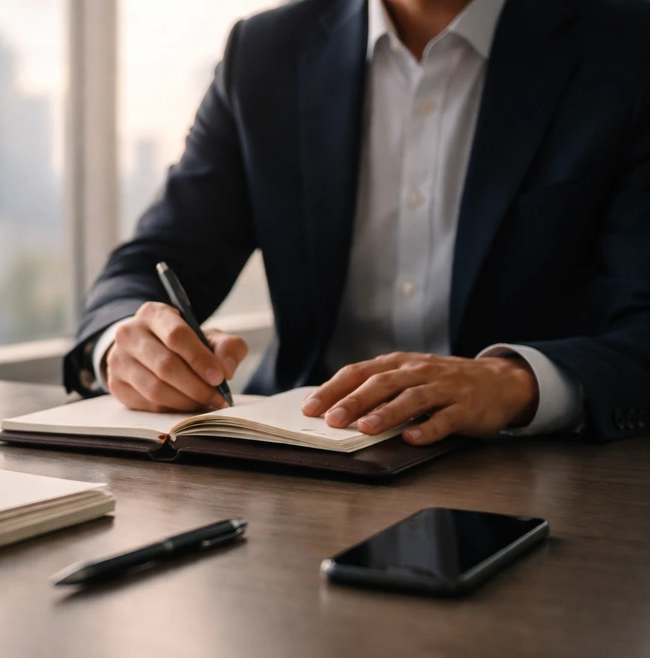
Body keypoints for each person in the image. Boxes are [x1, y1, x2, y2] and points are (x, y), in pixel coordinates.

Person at [64, 0, 650, 445]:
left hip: (532, 472)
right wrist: (125, 343)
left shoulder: (625, 46)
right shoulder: (267, 52)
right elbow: (151, 262)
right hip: (296, 456)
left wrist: (514, 382)